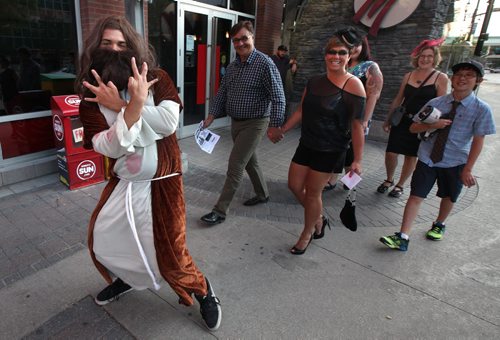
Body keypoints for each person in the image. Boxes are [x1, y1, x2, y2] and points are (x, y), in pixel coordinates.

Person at [76, 16, 221, 331]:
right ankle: (128, 279)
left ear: (133, 47)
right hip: (124, 183)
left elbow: (169, 122)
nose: (114, 50)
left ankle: (203, 290)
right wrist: (125, 108)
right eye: (107, 44)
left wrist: (132, 104)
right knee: (104, 239)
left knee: (171, 252)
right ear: (94, 48)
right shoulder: (90, 94)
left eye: (121, 44)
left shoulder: (156, 77)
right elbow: (110, 147)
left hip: (163, 183)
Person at [380, 60, 495, 251]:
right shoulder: (436, 103)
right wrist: (432, 125)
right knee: (416, 195)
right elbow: (413, 127)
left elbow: (478, 141)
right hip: (427, 158)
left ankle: (439, 223)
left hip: (455, 161)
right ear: (451, 78)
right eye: (458, 74)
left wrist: (468, 169)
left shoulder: (481, 109)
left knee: (449, 196)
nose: (462, 79)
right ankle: (403, 236)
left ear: (478, 81)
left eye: (469, 75)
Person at [281, 35, 366, 254]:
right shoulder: (314, 81)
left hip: (331, 149)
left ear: (349, 57)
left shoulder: (353, 85)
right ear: (325, 55)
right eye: (332, 52)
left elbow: (357, 126)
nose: (335, 56)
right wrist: (282, 130)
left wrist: (357, 159)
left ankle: (309, 231)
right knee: (294, 185)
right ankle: (318, 217)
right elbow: (301, 110)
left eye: (341, 53)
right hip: (307, 143)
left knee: (312, 193)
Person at [200, 21, 285, 226]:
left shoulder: (265, 64)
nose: (240, 43)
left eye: (244, 38)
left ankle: (220, 210)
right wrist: (211, 115)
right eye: (236, 40)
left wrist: (275, 125)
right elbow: (222, 94)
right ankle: (263, 193)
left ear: (252, 38)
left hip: (256, 122)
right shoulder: (232, 66)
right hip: (236, 123)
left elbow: (278, 96)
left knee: (236, 164)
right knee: (249, 161)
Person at [377, 38, 448, 198]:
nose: (425, 59)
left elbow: (441, 105)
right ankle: (389, 179)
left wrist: (433, 125)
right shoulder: (408, 75)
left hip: (421, 124)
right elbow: (398, 99)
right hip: (403, 120)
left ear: (435, 58)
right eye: (422, 56)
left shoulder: (440, 78)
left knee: (411, 156)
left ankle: (400, 185)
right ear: (417, 57)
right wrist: (388, 119)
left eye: (429, 56)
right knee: (391, 153)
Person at [324, 27, 383, 191]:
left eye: (356, 45)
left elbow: (374, 95)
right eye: (349, 46)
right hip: (338, 118)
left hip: (357, 118)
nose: (354, 49)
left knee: (351, 153)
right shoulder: (342, 62)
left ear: (363, 45)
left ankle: (350, 183)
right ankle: (332, 180)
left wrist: (365, 120)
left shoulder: (370, 67)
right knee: (338, 149)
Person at [271, 45, 297, 116]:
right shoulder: (272, 59)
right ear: (278, 51)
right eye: (281, 51)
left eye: (285, 52)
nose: (283, 53)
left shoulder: (285, 58)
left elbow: (293, 60)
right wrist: (289, 64)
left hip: (282, 84)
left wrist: (294, 64)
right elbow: (281, 69)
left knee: (281, 103)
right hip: (273, 84)